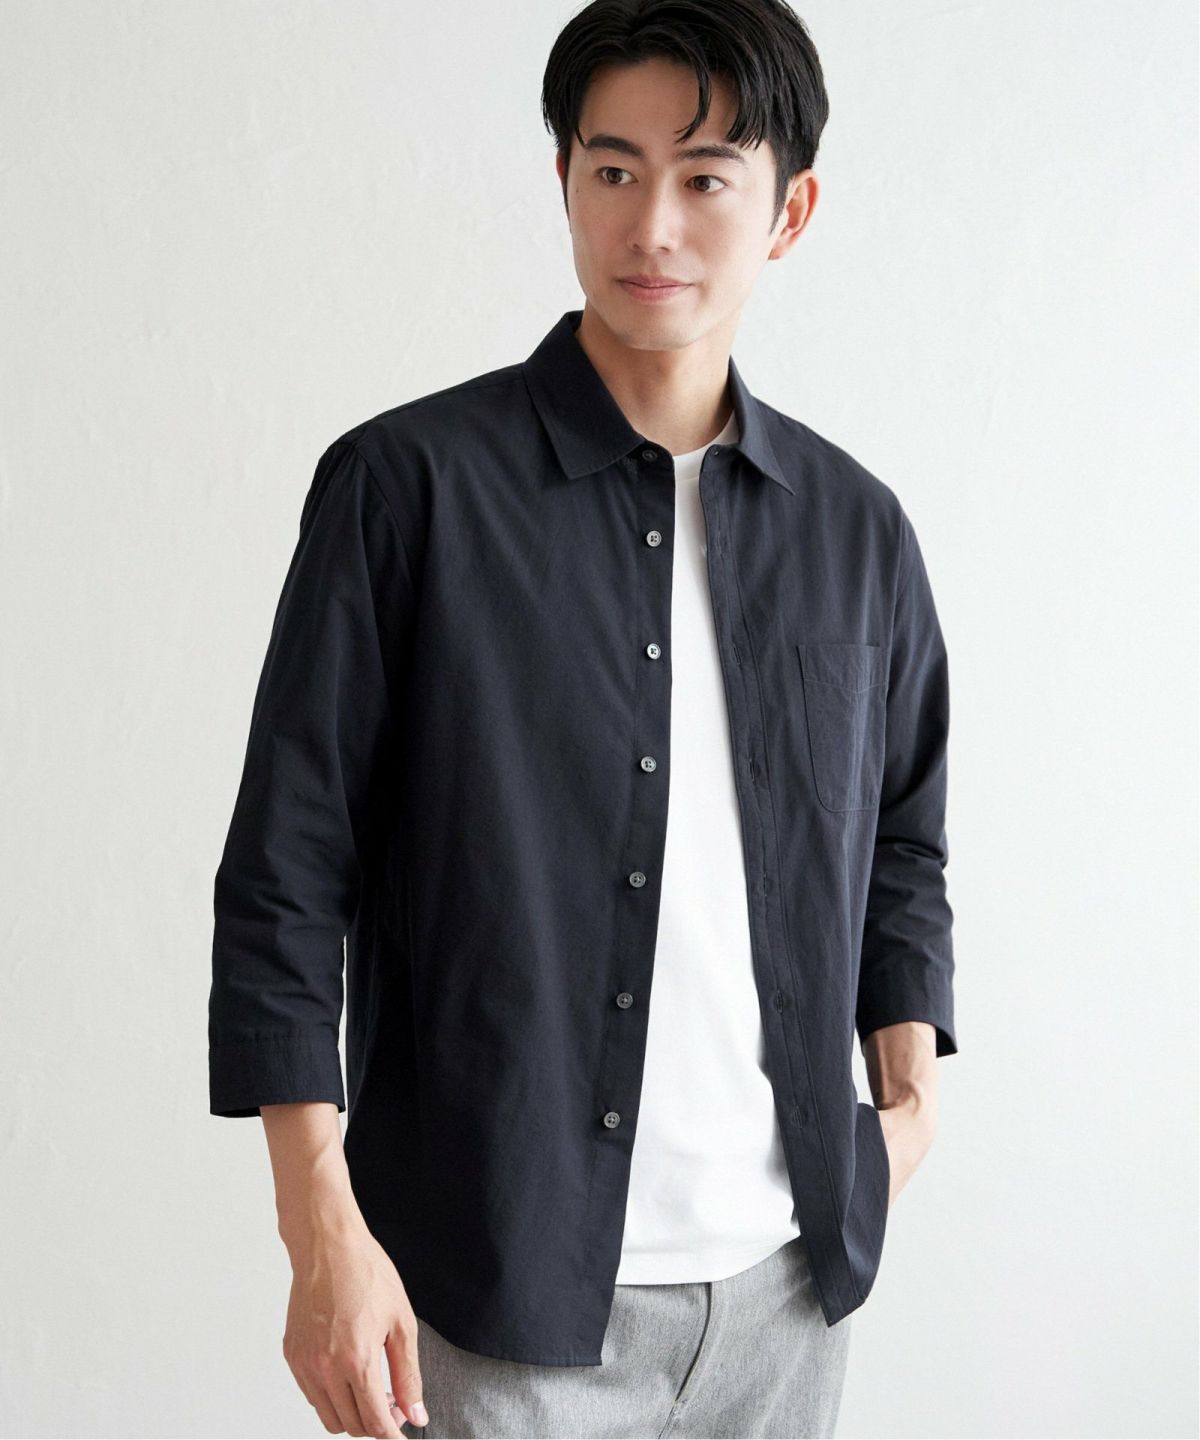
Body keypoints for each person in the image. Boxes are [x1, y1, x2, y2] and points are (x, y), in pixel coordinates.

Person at [207, 2, 958, 1436]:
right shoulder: (407, 491)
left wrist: (903, 1105)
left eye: (705, 178)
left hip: (788, 1295)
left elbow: (902, 840)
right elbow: (284, 881)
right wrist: (322, 1231)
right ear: (564, 180)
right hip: (488, 1293)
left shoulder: (858, 531)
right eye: (613, 170)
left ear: (790, 211)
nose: (651, 225)